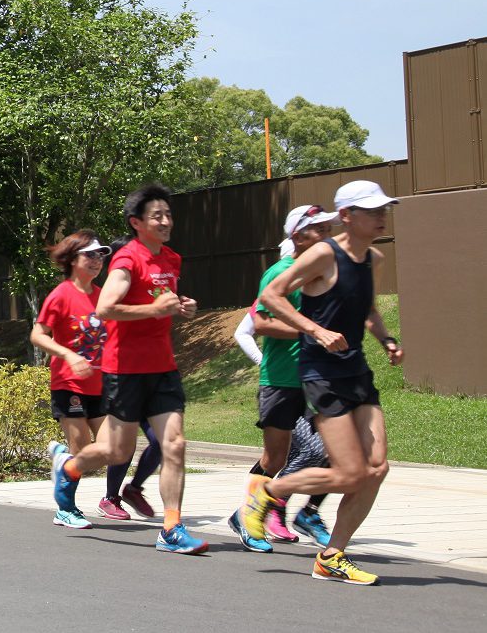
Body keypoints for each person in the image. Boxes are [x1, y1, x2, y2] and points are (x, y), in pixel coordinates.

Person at [240, 181, 403, 585]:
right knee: (349, 474)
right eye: (372, 210)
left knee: (377, 468)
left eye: (384, 208)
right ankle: (269, 493)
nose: (382, 216)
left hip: (356, 371)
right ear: (346, 215)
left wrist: (386, 339)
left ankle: (331, 556)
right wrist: (315, 330)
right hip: (322, 375)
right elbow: (273, 297)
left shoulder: (372, 257)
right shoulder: (322, 254)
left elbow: (367, 307)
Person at [50, 184, 205, 555]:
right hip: (125, 370)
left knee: (175, 445)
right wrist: (155, 309)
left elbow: (158, 303)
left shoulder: (171, 259)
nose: (166, 221)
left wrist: (181, 307)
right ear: (137, 223)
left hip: (163, 366)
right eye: (157, 216)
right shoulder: (126, 261)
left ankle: (171, 528)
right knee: (117, 452)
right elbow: (106, 307)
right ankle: (70, 469)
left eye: (168, 214)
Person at [227, 204, 340, 552]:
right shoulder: (280, 272)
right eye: (318, 229)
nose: (326, 235)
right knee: (275, 458)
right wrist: (311, 332)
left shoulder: (324, 274)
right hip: (280, 379)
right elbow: (260, 324)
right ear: (298, 235)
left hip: (319, 379)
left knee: (339, 449)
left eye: (327, 229)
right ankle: (247, 515)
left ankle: (308, 512)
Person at [29, 231, 160, 527]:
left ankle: (62, 460)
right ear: (73, 259)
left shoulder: (103, 297)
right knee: (81, 451)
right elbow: (37, 335)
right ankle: (66, 509)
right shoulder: (61, 295)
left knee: (114, 451)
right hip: (69, 384)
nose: (97, 260)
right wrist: (69, 356)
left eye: (101, 255)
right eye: (90, 255)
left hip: (102, 387)